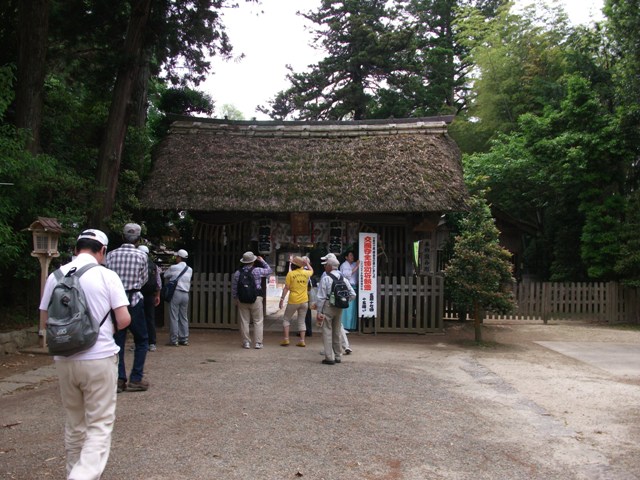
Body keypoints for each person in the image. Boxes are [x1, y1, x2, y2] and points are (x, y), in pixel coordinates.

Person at [38, 229, 131, 480]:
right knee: (99, 424)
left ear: (76, 248)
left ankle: (74, 470)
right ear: (102, 251)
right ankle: (80, 476)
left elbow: (45, 320)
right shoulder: (106, 275)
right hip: (99, 357)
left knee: (75, 423)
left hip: (64, 359)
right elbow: (123, 319)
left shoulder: (55, 276)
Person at [106, 223, 150, 392]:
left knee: (118, 341)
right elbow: (144, 279)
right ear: (138, 239)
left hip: (116, 303)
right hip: (135, 300)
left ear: (122, 236)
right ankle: (136, 378)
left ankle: (119, 378)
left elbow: (106, 276)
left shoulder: (111, 255)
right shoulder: (142, 256)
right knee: (142, 340)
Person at [316, 257, 356, 365]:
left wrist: (319, 312)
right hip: (339, 308)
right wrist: (343, 301)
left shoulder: (326, 279)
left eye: (326, 265)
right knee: (337, 331)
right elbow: (353, 294)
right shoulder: (344, 279)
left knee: (327, 331)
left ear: (330, 266)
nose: (325, 267)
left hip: (328, 306)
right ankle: (338, 356)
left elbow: (321, 297)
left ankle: (329, 357)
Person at [232, 251, 272, 349]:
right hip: (256, 298)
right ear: (253, 261)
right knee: (258, 321)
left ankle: (246, 342)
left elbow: (234, 287)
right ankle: (258, 343)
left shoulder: (238, 273)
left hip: (242, 299)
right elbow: (269, 270)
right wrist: (262, 261)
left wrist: (235, 298)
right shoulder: (257, 270)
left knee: (244, 321)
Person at [279, 255, 313, 347]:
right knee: (302, 321)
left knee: (286, 319)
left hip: (293, 300)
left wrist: (282, 299)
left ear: (293, 265)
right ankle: (302, 341)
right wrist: (307, 263)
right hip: (304, 300)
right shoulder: (306, 273)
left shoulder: (290, 274)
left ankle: (286, 339)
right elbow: (312, 270)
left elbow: (286, 288)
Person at [163, 249, 193, 346]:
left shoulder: (173, 267)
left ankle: (174, 340)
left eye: (177, 256)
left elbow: (165, 275)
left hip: (176, 293)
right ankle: (184, 338)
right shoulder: (190, 269)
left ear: (179, 257)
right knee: (183, 317)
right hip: (185, 294)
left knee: (174, 317)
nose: (176, 258)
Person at [138, 245, 161, 352]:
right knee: (150, 318)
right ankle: (152, 343)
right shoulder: (154, 266)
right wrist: (157, 295)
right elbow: (158, 282)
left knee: (139, 319)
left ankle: (140, 342)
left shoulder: (137, 264)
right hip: (150, 295)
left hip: (138, 294)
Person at [340, 250, 360, 331]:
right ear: (346, 257)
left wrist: (357, 265)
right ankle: (345, 326)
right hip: (346, 287)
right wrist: (357, 266)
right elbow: (347, 275)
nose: (352, 257)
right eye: (350, 255)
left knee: (352, 309)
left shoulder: (354, 264)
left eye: (352, 255)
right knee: (347, 307)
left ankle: (352, 326)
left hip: (354, 287)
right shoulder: (344, 265)